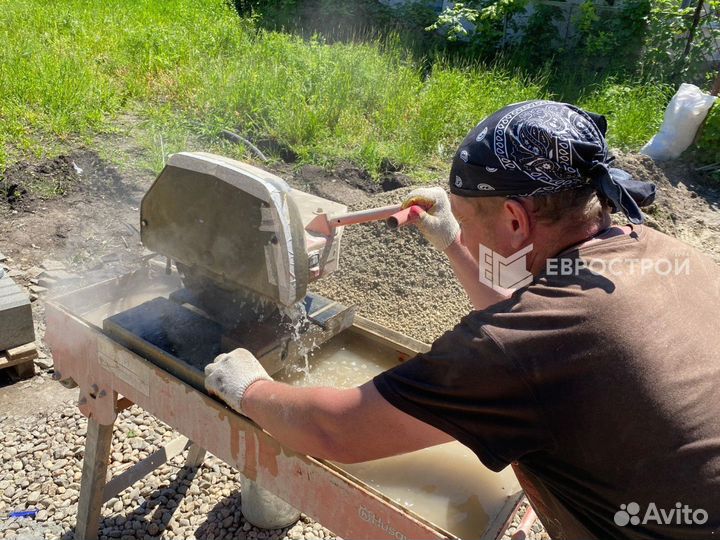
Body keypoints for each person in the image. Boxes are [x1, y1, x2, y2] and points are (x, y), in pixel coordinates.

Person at [205, 100, 720, 539]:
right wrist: (454, 241)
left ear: (516, 219)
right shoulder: (662, 252)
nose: (465, 231)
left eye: (468, 218)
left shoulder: (520, 348)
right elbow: (541, 326)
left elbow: (336, 430)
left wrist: (247, 388)